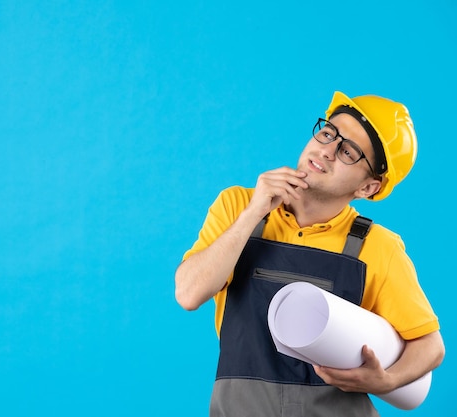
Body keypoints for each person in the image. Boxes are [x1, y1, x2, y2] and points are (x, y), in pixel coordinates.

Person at [175, 91, 445, 417]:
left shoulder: (377, 246)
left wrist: (387, 380)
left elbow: (430, 345)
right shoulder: (238, 205)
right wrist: (254, 212)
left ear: (368, 187)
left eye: (348, 151)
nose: (327, 150)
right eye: (328, 133)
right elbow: (189, 293)